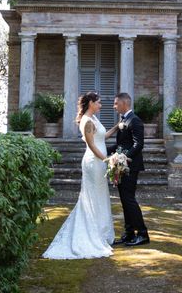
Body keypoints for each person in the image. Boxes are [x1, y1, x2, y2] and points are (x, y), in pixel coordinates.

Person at [42, 92, 117, 259]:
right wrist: (107, 159)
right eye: (98, 102)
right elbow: (91, 145)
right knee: (91, 197)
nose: (100, 105)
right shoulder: (87, 121)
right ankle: (90, 234)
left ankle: (101, 232)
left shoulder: (94, 119)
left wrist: (116, 127)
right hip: (93, 163)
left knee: (99, 196)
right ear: (90, 103)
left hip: (99, 162)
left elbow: (102, 137)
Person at [108, 92, 150, 247]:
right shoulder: (124, 120)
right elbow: (121, 145)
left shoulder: (135, 120)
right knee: (125, 201)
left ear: (124, 103)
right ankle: (129, 233)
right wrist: (104, 150)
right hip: (122, 166)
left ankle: (143, 234)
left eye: (116, 103)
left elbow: (138, 144)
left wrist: (124, 157)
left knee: (129, 200)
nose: (114, 106)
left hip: (131, 166)